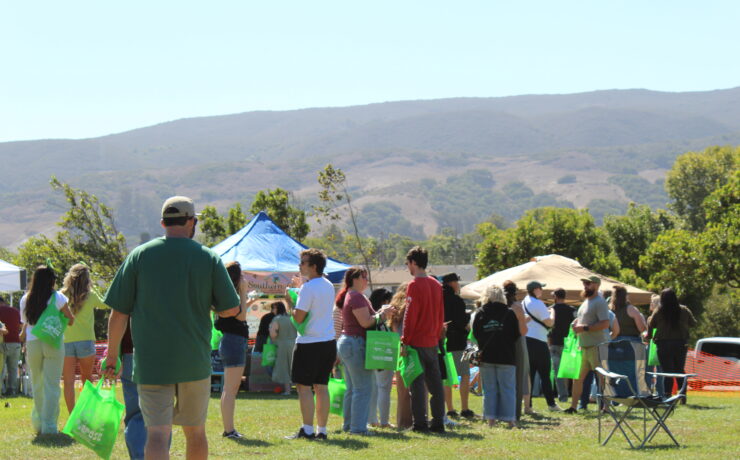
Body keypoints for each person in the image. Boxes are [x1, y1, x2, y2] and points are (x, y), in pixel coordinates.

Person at [103, 196, 240, 459]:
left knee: (157, 434)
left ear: (163, 223)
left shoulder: (139, 256)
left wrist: (112, 356)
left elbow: (118, 312)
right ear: (191, 222)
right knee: (196, 433)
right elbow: (230, 310)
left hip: (152, 363)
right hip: (194, 361)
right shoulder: (208, 258)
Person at [283, 248, 337, 440]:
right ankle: (322, 430)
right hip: (328, 342)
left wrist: (290, 301)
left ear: (313, 266)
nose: (300, 266)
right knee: (321, 387)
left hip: (309, 343)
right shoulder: (328, 285)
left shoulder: (308, 288)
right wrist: (300, 288)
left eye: (303, 263)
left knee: (304, 387)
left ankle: (307, 430)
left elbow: (298, 317)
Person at [336, 268, 393, 434]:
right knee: (363, 389)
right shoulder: (357, 296)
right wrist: (383, 315)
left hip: (348, 343)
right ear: (354, 279)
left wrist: (380, 313)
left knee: (352, 389)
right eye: (364, 277)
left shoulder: (351, 295)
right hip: (355, 344)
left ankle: (349, 425)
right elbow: (366, 322)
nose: (366, 280)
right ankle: (358, 428)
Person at [20, 265, 75, 434]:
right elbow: (70, 320)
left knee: (37, 384)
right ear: (51, 281)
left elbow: (25, 322)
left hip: (32, 343)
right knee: (51, 385)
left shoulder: (25, 298)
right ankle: (49, 427)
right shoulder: (58, 297)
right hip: (52, 342)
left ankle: (38, 423)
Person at [401, 246, 446, 434]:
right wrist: (436, 335)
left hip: (417, 341)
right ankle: (438, 421)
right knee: (436, 384)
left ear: (413, 262)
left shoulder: (414, 285)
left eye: (408, 263)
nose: (408, 267)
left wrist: (405, 340)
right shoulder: (436, 284)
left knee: (417, 384)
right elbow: (441, 313)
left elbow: (410, 316)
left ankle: (420, 423)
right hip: (432, 341)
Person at [60, 263, 109, 413]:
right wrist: (96, 289)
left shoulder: (61, 295)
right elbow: (106, 304)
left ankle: (72, 416)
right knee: (87, 379)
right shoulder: (91, 295)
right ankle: (87, 412)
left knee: (68, 382)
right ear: (87, 279)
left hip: (66, 342)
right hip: (86, 342)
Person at [217, 261, 257, 439]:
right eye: (241, 275)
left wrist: (247, 298)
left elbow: (238, 312)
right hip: (233, 341)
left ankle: (229, 429)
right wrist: (243, 291)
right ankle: (229, 430)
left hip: (232, 341)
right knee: (230, 389)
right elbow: (240, 316)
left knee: (230, 389)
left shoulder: (225, 294)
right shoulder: (232, 294)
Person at [473, 284, 520, 428]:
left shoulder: (480, 312)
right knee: (508, 388)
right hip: (507, 356)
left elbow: (476, 333)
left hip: (487, 356)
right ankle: (509, 419)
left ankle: (491, 420)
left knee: (489, 389)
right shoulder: (509, 313)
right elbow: (516, 335)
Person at [565, 276, 611, 414]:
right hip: (583, 346)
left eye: (588, 283)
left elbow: (605, 323)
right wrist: (576, 323)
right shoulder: (586, 301)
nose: (585, 285)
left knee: (602, 378)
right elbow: (584, 318)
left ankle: (606, 408)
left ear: (596, 285)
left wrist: (584, 328)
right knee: (577, 378)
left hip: (597, 346)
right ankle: (573, 407)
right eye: (584, 283)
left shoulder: (600, 302)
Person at [647, 288, 696, 397]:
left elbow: (652, 324)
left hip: (663, 344)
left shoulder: (659, 311)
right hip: (681, 344)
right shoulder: (684, 310)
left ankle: (667, 395)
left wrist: (649, 335)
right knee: (679, 369)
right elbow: (693, 323)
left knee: (667, 371)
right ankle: (682, 394)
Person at [522, 281, 561, 413]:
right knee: (545, 374)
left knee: (530, 375)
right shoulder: (538, 303)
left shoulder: (524, 301)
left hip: (527, 340)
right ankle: (551, 404)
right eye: (540, 288)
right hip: (539, 341)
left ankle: (528, 405)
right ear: (535, 290)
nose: (542, 291)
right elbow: (549, 323)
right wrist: (553, 312)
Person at [441, 273, 473, 419]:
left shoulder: (438, 299)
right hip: (459, 342)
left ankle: (450, 408)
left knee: (446, 376)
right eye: (457, 282)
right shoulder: (457, 300)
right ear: (452, 283)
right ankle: (465, 408)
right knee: (465, 374)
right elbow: (461, 322)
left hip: (443, 342)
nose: (458, 285)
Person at [367, 288, 394, 428]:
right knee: (384, 388)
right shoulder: (385, 316)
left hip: (371, 351)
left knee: (372, 388)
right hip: (384, 352)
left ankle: (372, 419)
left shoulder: (370, 315)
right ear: (385, 301)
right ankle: (384, 421)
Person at [503, 281, 529, 421]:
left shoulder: (500, 306)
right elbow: (523, 331)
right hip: (518, 343)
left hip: (503, 344)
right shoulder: (517, 307)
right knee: (518, 378)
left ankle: (502, 411)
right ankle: (515, 412)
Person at [120, 321, 146, 460]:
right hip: (163, 355)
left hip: (131, 352)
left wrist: (113, 355)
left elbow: (119, 317)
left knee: (136, 415)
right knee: (161, 418)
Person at [389, 283, 412, 429]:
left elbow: (393, 329)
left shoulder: (394, 308)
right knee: (413, 387)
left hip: (397, 348)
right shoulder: (408, 306)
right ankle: (411, 421)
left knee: (401, 389)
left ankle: (401, 422)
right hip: (408, 347)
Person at [548, 288, 575, 403]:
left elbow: (548, 328)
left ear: (555, 296)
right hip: (568, 343)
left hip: (554, 343)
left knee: (558, 371)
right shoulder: (571, 310)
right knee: (568, 370)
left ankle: (563, 396)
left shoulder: (550, 310)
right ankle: (569, 393)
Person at [269, 302, 297, 395]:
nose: (272, 310)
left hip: (282, 345)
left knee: (284, 367)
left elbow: (273, 334)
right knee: (294, 367)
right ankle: (299, 389)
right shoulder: (291, 318)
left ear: (277, 308)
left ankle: (287, 390)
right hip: (295, 344)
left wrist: (274, 339)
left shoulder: (277, 319)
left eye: (273, 308)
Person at [0, 295, 22, 395]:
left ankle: (1, 389)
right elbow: (21, 325)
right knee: (13, 369)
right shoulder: (15, 311)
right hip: (16, 343)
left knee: (1, 369)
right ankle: (12, 390)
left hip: (3, 343)